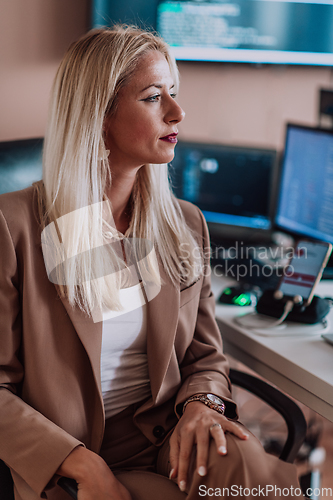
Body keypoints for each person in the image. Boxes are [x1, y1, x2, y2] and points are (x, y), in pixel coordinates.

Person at [0, 26, 301, 500]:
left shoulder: (184, 223)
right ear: (98, 114)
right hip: (70, 456)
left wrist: (203, 405)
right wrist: (81, 465)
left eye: (174, 95)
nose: (178, 113)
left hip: (167, 437)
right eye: (154, 97)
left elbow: (205, 356)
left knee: (246, 464)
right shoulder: (12, 226)